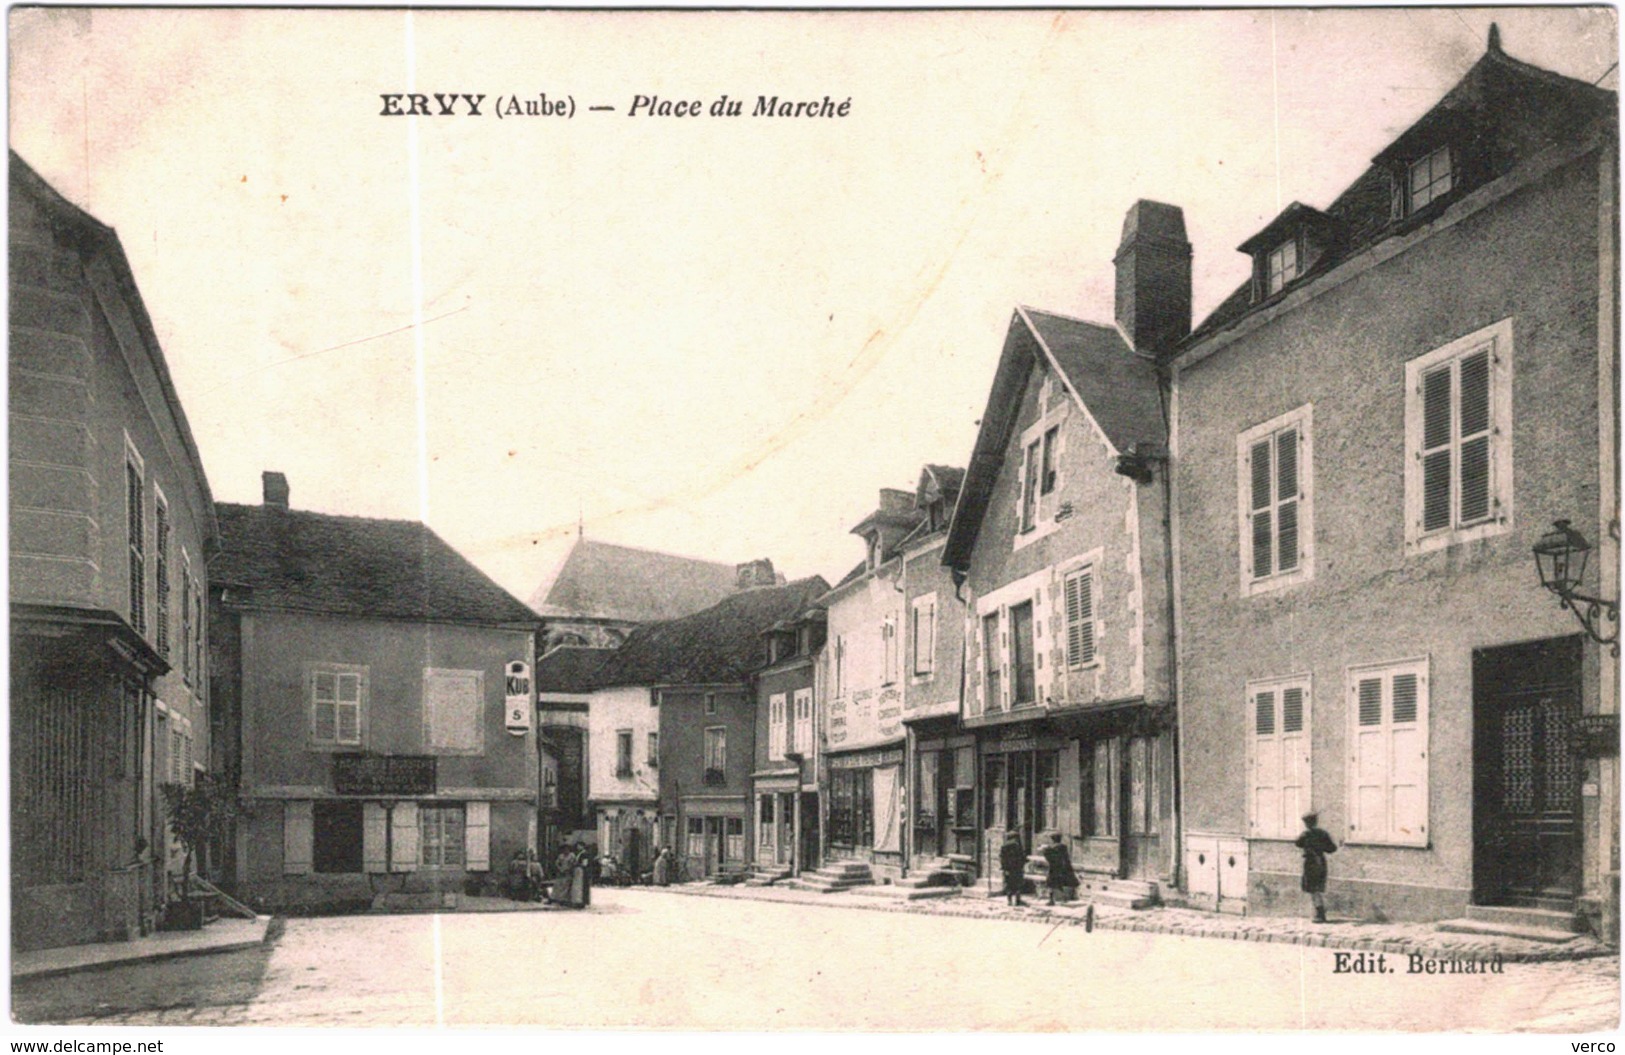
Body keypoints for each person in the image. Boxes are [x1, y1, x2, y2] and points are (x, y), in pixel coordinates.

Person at [1295, 811, 1338, 923]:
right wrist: (1321, 847)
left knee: (1313, 888)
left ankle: (1320, 913)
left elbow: (1297, 843)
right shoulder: (1323, 834)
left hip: (1311, 862)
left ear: (1306, 823)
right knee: (1316, 888)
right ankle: (1319, 911)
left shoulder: (1305, 834)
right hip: (1321, 861)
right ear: (1316, 821)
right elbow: (1332, 849)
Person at [1040, 832, 1079, 905]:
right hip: (1063, 868)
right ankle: (1064, 898)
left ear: (1053, 839)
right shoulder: (1064, 847)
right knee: (1062, 883)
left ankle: (1051, 900)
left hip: (1054, 868)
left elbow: (1049, 858)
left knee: (1051, 884)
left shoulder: (1052, 848)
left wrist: (1044, 850)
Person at [999, 830, 1028, 907]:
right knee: (1018, 884)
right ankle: (1017, 901)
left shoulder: (1004, 846)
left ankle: (1009, 901)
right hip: (1017, 869)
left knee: (1009, 884)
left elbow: (1002, 858)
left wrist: (1004, 868)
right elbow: (1022, 857)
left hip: (1008, 869)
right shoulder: (1018, 846)